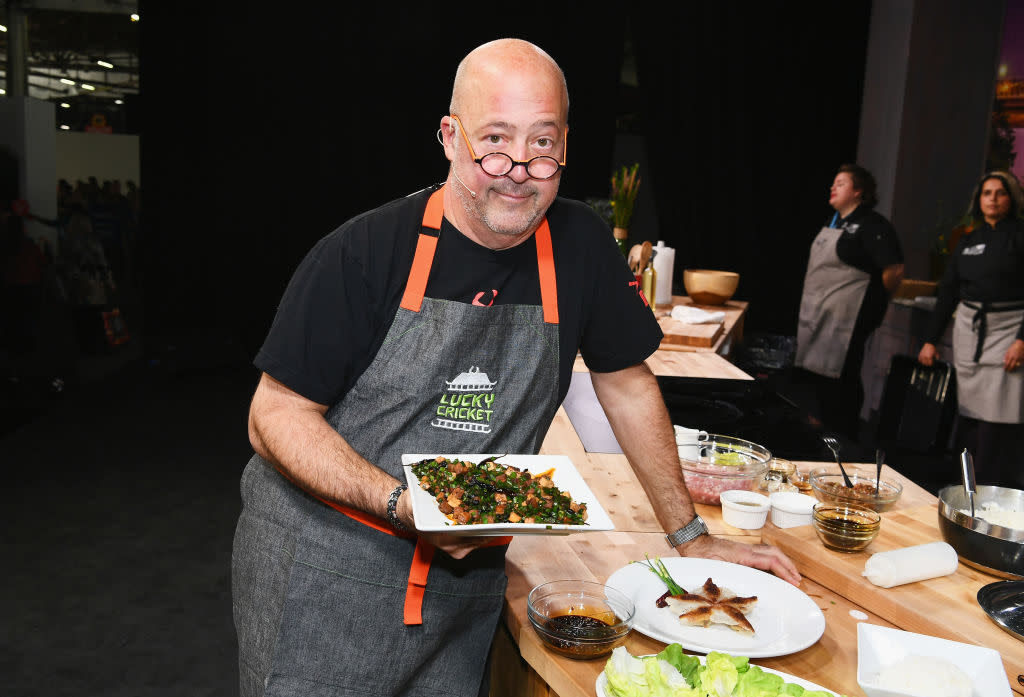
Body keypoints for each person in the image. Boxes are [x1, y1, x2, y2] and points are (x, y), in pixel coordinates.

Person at [231, 38, 799, 697]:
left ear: (566, 146)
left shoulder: (581, 245)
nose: (518, 168)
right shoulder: (363, 252)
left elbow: (627, 384)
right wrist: (401, 503)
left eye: (543, 143)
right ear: (449, 136)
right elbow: (272, 414)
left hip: (467, 581)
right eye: (494, 140)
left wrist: (690, 533)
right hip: (326, 574)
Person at [918, 171, 1024, 488]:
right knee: (969, 415)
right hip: (969, 330)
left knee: (1000, 416)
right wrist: (930, 340)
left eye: (999, 193)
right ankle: (965, 490)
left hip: (1009, 330)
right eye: (986, 193)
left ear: (1012, 199)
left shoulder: (1020, 235)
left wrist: (1021, 340)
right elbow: (948, 291)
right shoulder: (967, 240)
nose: (992, 198)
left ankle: (995, 490)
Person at [794, 164, 905, 441]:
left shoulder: (872, 225)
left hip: (847, 320)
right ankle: (816, 430)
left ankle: (843, 437)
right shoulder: (833, 222)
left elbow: (894, 270)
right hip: (819, 314)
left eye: (841, 183)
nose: (833, 188)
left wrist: (875, 304)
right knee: (816, 373)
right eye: (833, 183)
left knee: (841, 377)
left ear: (859, 191)